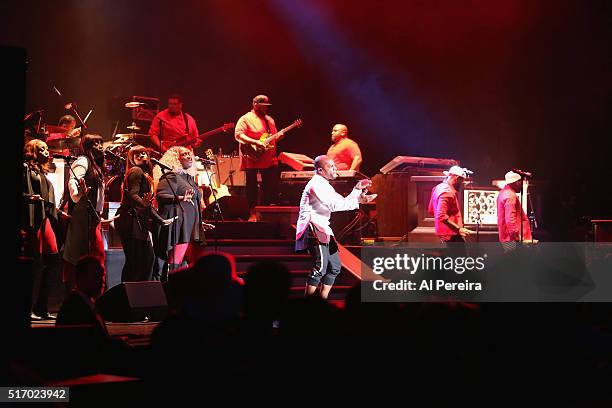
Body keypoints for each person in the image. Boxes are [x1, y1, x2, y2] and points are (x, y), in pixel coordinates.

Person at [295, 155, 376, 299]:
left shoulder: (325, 184)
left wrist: (358, 192)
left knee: (335, 267)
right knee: (320, 267)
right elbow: (334, 205)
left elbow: (342, 202)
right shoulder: (316, 184)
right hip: (313, 226)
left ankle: (322, 300)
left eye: (334, 166)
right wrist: (357, 197)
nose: (335, 169)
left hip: (324, 228)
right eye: (331, 166)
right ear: (320, 170)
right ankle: (307, 305)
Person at [115, 146, 174, 282]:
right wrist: (143, 203)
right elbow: (133, 194)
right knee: (139, 261)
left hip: (135, 219)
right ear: (131, 158)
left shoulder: (144, 173)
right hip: (131, 220)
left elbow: (146, 204)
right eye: (137, 154)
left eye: (144, 153)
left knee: (142, 261)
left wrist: (161, 220)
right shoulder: (136, 171)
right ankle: (131, 294)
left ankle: (134, 293)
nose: (142, 155)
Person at [154, 146, 214, 277]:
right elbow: (161, 196)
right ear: (176, 159)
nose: (189, 156)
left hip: (190, 227)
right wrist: (181, 197)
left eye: (189, 153)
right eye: (184, 154)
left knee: (186, 265)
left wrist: (200, 222)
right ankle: (170, 288)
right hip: (179, 227)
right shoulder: (171, 176)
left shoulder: (189, 178)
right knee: (175, 264)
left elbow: (192, 205)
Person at [21, 139, 60, 320]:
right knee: (35, 263)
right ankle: (29, 308)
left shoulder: (41, 170)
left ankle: (42, 307)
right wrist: (30, 197)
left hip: (43, 219)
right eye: (42, 148)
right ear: (33, 151)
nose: (46, 151)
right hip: (33, 220)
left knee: (52, 260)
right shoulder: (25, 168)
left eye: (46, 148)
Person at [62, 134, 107, 291]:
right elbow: (73, 180)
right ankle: (78, 293)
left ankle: (92, 295)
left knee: (95, 254)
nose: (101, 146)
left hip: (93, 215)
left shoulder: (97, 165)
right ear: (87, 146)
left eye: (101, 143)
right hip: (83, 213)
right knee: (82, 253)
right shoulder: (83, 160)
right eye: (96, 143)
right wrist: (78, 193)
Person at [235, 94, 283, 219]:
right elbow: (238, 134)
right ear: (255, 105)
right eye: (263, 106)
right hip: (252, 157)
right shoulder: (246, 119)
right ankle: (252, 212)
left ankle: (265, 211)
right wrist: (254, 142)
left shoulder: (269, 120)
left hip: (268, 158)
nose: (266, 108)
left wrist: (278, 136)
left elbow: (272, 138)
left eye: (267, 106)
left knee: (270, 185)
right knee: (251, 185)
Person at [428, 165, 474, 243]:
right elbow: (441, 215)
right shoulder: (447, 192)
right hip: (451, 235)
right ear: (456, 179)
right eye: (462, 180)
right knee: (461, 255)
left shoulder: (438, 187)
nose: (462, 183)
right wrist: (458, 229)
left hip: (446, 233)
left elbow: (431, 210)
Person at [497, 171, 533, 251]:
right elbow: (510, 219)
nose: (521, 185)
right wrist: (516, 237)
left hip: (508, 237)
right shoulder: (510, 195)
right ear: (516, 182)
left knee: (512, 260)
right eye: (520, 182)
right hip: (512, 239)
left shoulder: (504, 192)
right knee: (514, 260)